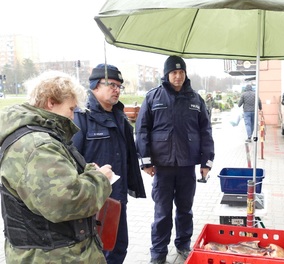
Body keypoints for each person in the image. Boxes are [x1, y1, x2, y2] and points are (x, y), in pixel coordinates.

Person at [0, 70, 113, 263]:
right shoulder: (38, 146)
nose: (72, 117)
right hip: (55, 256)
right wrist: (100, 179)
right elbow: (67, 201)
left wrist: (85, 172)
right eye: (70, 109)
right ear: (51, 102)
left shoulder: (37, 137)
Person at [135, 55, 215, 264]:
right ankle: (159, 253)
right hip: (162, 167)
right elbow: (142, 130)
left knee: (185, 210)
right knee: (162, 212)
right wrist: (146, 162)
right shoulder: (153, 97)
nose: (178, 76)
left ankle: (183, 245)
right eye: (173, 72)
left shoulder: (195, 99)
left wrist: (206, 163)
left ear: (185, 74)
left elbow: (206, 131)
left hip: (187, 165)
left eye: (181, 72)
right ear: (166, 74)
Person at [72, 63, 146, 264]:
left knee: (118, 246)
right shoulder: (81, 117)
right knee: (98, 251)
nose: (117, 89)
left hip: (118, 196)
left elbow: (129, 155)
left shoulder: (120, 117)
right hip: (94, 200)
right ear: (95, 86)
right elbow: (71, 160)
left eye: (119, 86)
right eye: (111, 84)